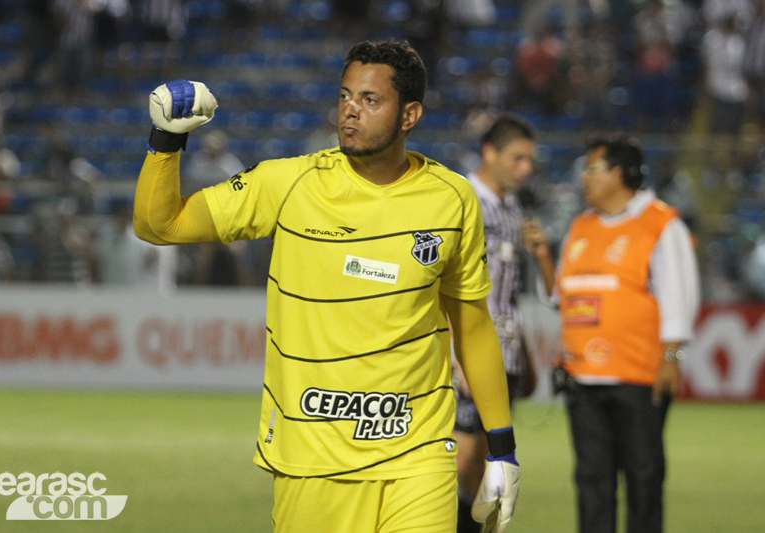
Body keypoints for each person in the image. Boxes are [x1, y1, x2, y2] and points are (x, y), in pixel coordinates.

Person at [133, 40, 519, 533]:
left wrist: (502, 449)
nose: (350, 112)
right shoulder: (289, 183)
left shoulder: (453, 198)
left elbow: (473, 322)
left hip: (418, 454)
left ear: (410, 115)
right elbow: (160, 225)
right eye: (344, 97)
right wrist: (166, 140)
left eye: (370, 100)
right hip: (312, 457)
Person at [549, 136, 699, 533]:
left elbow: (679, 294)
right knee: (590, 479)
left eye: (592, 169)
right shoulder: (581, 225)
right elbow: (563, 294)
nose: (584, 178)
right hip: (582, 376)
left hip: (638, 374)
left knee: (643, 476)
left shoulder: (660, 223)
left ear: (618, 173)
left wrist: (671, 358)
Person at [454, 113, 555, 533]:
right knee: (460, 460)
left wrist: (526, 354)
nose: (525, 169)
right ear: (489, 153)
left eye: (529, 160)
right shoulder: (461, 200)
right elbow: (446, 281)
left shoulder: (514, 209)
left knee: (493, 462)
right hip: (469, 354)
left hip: (507, 355)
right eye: (517, 158)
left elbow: (510, 295)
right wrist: (455, 356)